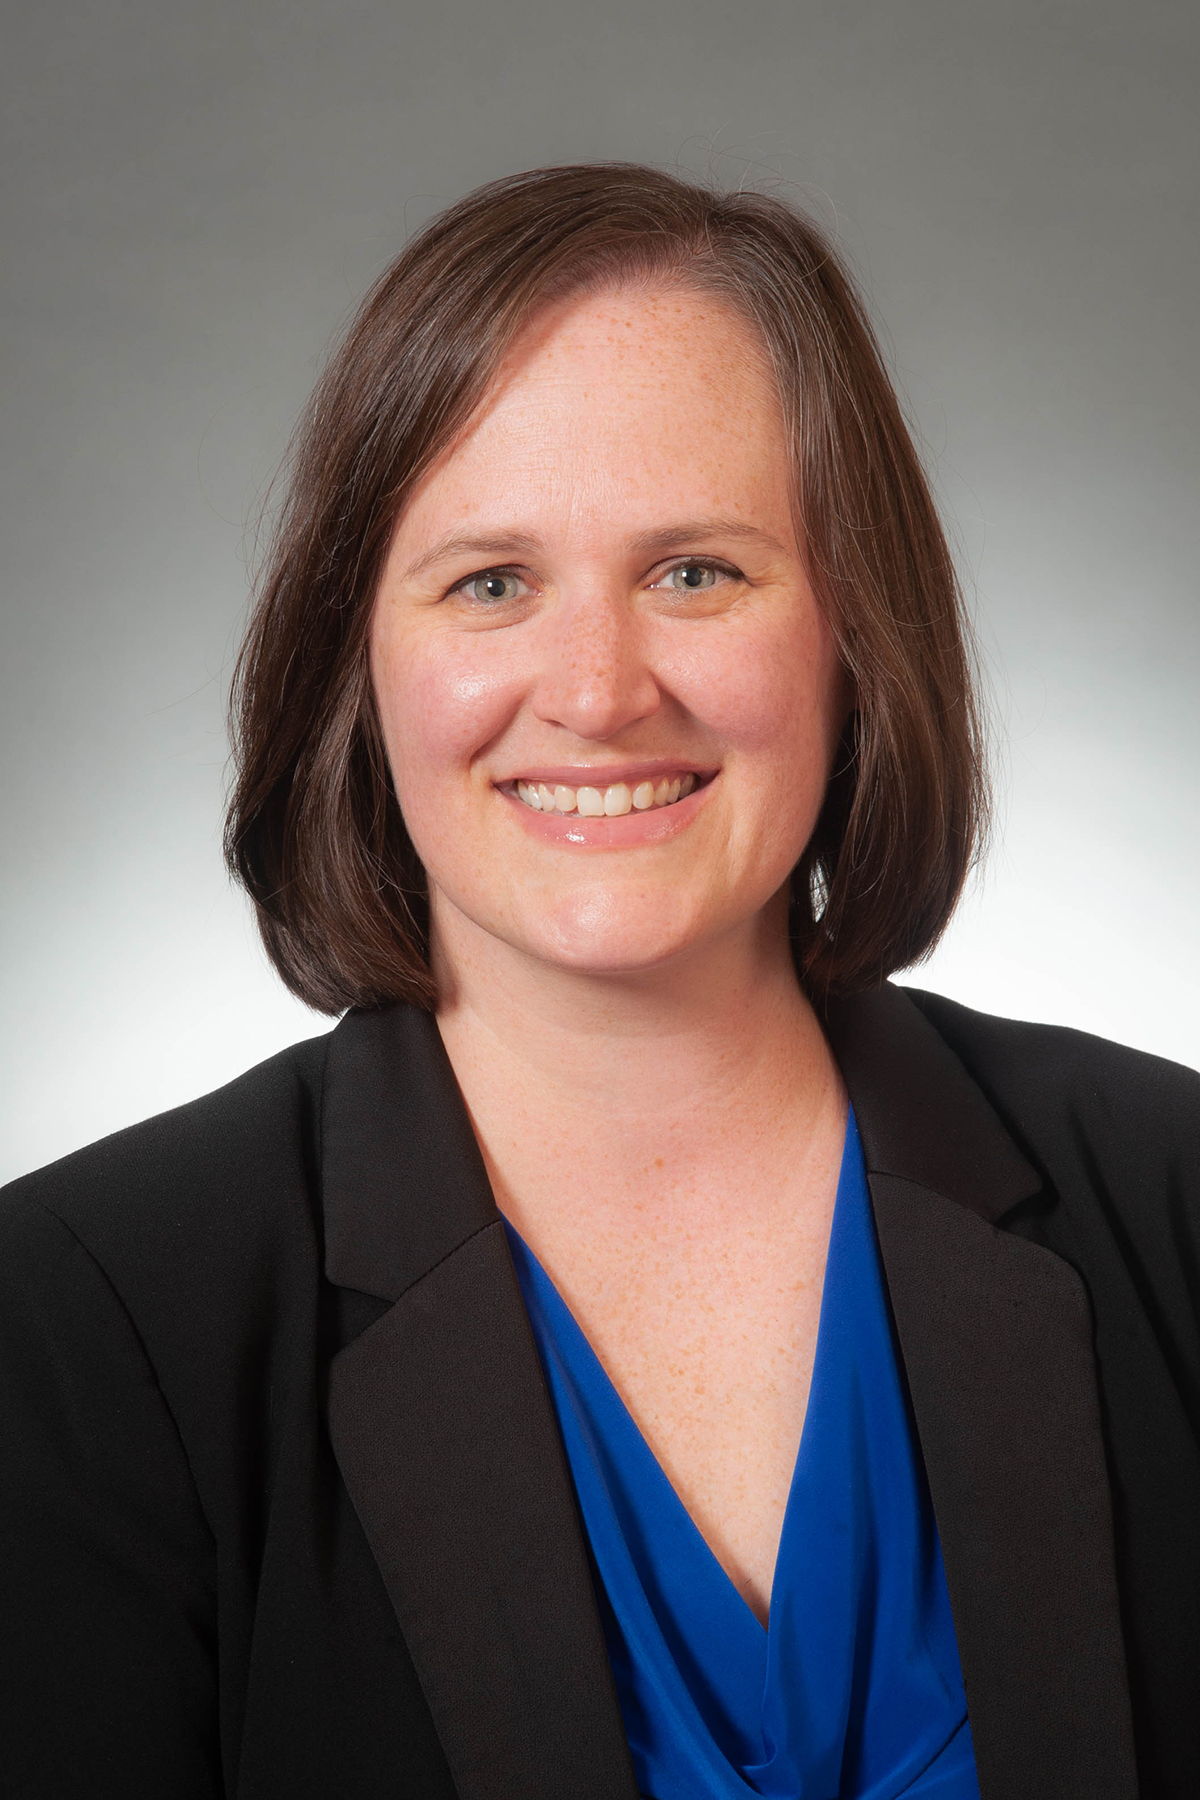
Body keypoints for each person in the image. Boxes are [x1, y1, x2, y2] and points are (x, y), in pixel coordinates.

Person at [1, 164, 1196, 1800]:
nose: (595, 690)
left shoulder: (1176, 1200)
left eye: (696, 570)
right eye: (490, 581)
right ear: (361, 660)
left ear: (854, 629)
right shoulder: (84, 1325)